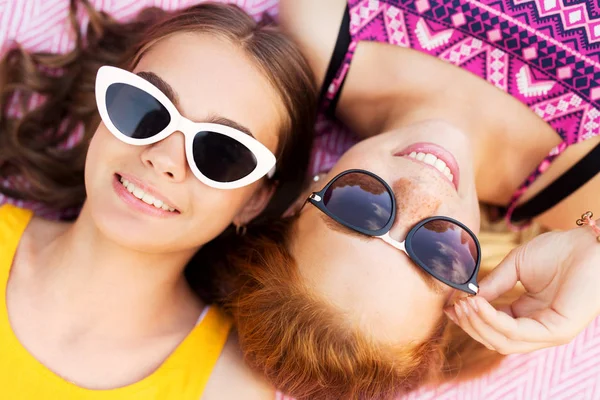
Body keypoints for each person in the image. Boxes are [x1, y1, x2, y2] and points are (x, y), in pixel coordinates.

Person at [212, 0, 600, 398]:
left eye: (360, 208)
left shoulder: (320, 22)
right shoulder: (586, 191)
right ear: (467, 284)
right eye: (438, 254)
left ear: (302, 199)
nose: (422, 194)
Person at [0, 1, 317, 399]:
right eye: (146, 107)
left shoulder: (229, 387)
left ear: (255, 200)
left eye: (222, 152)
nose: (164, 158)